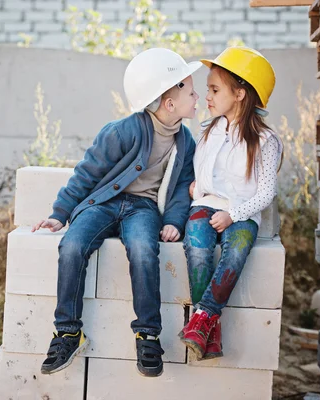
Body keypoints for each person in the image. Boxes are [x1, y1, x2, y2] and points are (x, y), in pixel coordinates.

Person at [32, 48, 200, 377]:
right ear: (169, 103)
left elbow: (182, 187)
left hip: (143, 209)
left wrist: (173, 221)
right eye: (191, 92)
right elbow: (86, 174)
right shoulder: (121, 131)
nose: (197, 98)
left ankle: (148, 334)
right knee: (72, 246)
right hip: (103, 202)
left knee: (142, 250)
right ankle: (67, 331)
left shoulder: (186, 141)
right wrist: (61, 212)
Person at [179, 47, 283, 360]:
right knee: (196, 245)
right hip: (206, 204)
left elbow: (265, 194)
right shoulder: (207, 131)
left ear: (239, 93)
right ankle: (209, 329)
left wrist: (233, 215)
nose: (206, 96)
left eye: (214, 89)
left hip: (242, 213)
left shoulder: (265, 141)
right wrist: (196, 188)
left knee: (236, 250)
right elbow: (202, 172)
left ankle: (203, 318)